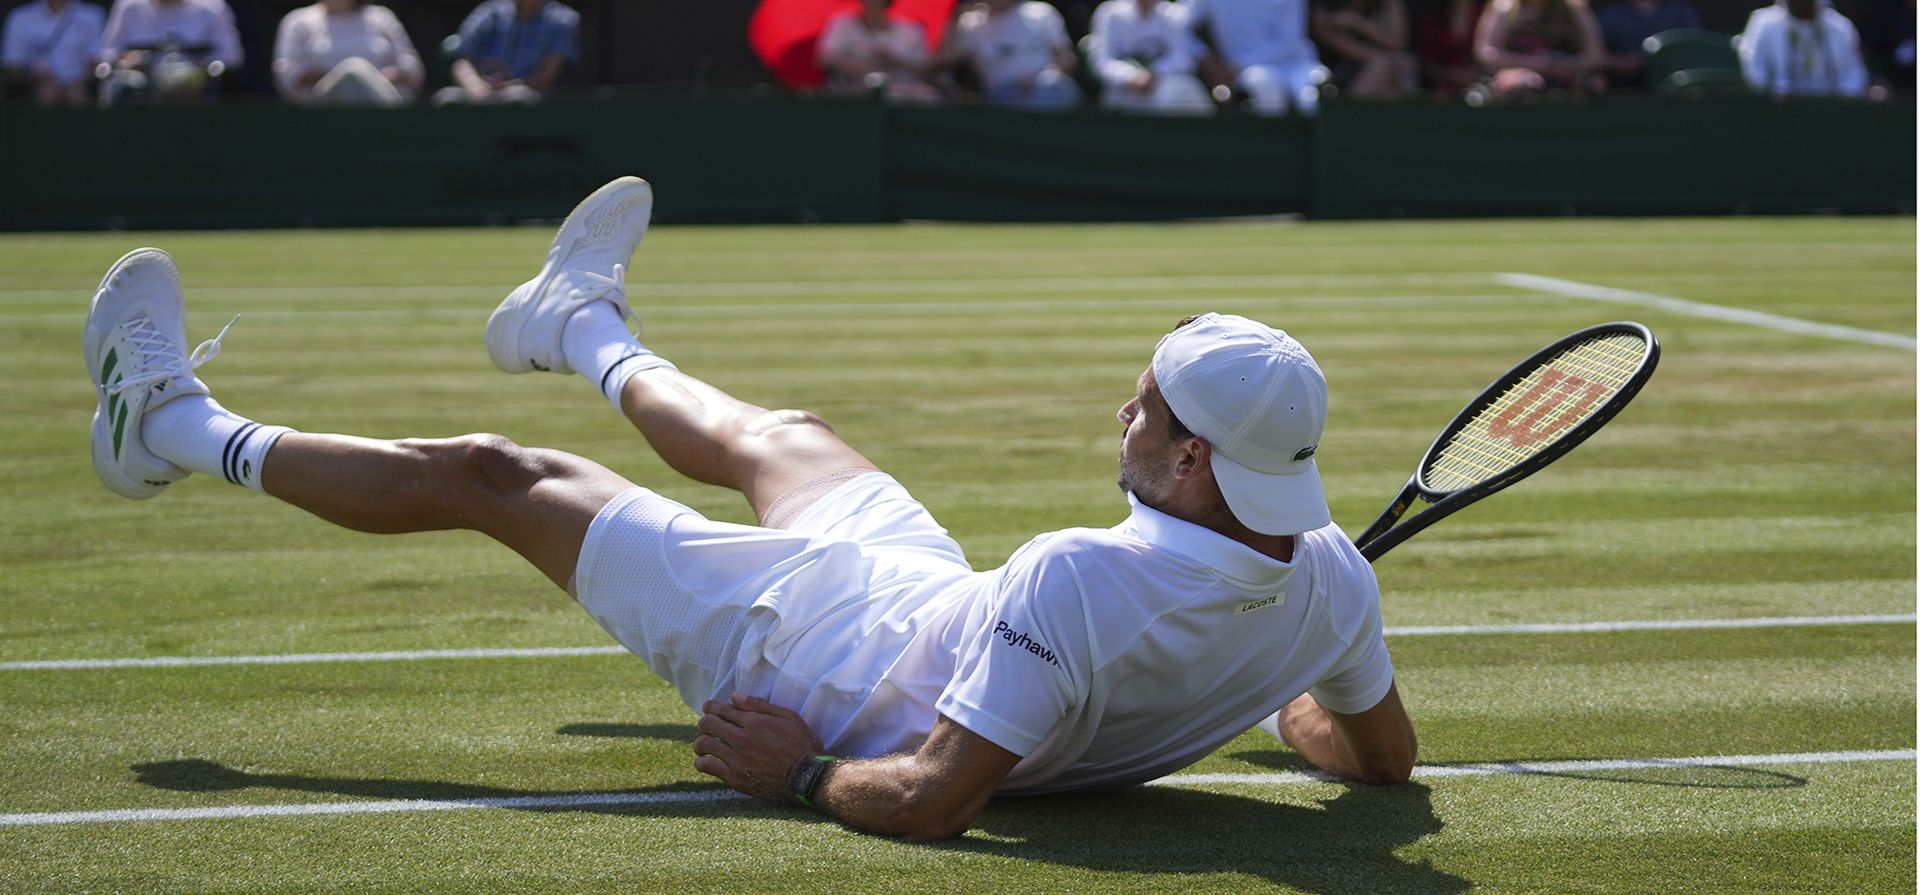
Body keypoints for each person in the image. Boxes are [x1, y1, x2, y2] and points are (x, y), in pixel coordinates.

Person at [82, 177, 1416, 840]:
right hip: (932, 607)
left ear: (1192, 463)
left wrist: (801, 768)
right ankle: (580, 322)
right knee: (787, 438)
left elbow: (939, 795)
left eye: (1142, 408)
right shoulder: (1330, 578)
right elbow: (1383, 759)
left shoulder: (1081, 573)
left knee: (499, 474)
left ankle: (168, 425)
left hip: (808, 657)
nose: (1118, 415)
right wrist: (1289, 700)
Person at [1183, 0, 1327, 116]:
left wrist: (1237, 65)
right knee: (1265, 82)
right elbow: (1180, 25)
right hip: (1247, 71)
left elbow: (1290, 42)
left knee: (1313, 96)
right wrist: (1203, 56)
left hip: (1297, 65)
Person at [272, 0, 424, 107]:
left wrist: (372, 79)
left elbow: (412, 70)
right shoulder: (298, 21)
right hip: (322, 117)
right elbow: (289, 78)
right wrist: (344, 79)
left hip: (383, 110)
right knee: (352, 72)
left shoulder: (382, 17)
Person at [935, 0, 1082, 109]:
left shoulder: (1041, 12)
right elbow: (945, 60)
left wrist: (1047, 73)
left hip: (1047, 89)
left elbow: (1066, 59)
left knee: (1054, 86)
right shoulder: (971, 22)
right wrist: (955, 16)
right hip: (999, 98)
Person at [95, 0, 242, 102]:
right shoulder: (128, 7)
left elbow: (232, 56)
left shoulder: (212, 7)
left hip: (194, 91)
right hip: (140, 90)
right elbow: (107, 54)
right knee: (121, 87)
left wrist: (198, 66)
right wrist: (128, 61)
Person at [435, 0, 579, 104]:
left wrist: (507, 87)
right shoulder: (490, 11)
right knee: (447, 99)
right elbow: (462, 61)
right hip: (478, 91)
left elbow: (545, 77)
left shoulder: (563, 20)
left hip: (526, 93)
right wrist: (476, 86)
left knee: (520, 99)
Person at [1086, 0, 1215, 114]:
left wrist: (1154, 73)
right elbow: (1101, 60)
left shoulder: (1175, 14)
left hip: (1162, 86)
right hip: (1122, 92)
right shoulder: (1110, 13)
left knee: (1186, 90)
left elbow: (1184, 58)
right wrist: (1131, 76)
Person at [1472, 0, 1606, 96]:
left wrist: (1562, 65)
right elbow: (1486, 53)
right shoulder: (1503, 6)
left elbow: (1595, 55)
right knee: (1523, 83)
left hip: (1568, 74)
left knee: (1594, 84)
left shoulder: (1575, 7)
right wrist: (1533, 64)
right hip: (1516, 76)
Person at [1738, 0, 1868, 98]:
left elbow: (1854, 76)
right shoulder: (1763, 23)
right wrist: (1776, 91)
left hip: (1830, 113)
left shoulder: (1840, 27)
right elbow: (1755, 74)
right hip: (1779, 113)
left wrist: (1843, 95)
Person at [815, 0, 938, 102]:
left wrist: (893, 60)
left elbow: (928, 72)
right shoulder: (842, 24)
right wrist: (865, 68)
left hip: (907, 98)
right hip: (857, 95)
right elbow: (824, 58)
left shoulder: (911, 30)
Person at [2, 0, 105, 106]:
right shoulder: (20, 17)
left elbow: (96, 62)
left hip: (81, 91)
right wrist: (34, 80)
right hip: (35, 92)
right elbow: (13, 67)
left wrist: (79, 84)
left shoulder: (93, 15)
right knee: (46, 94)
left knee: (77, 97)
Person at [1310, 0, 1418, 99]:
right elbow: (1350, 50)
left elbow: (1396, 41)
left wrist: (1356, 22)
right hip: (1331, 78)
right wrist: (1390, 59)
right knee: (1381, 65)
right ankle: (1351, 114)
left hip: (1378, 73)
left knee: (1404, 64)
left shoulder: (1386, 4)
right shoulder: (1323, 8)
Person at [1591, 0, 1699, 87]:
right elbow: (1595, 58)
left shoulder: (1681, 11)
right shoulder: (1610, 15)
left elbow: (1697, 50)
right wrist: (1622, 63)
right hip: (1627, 91)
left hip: (1677, 89)